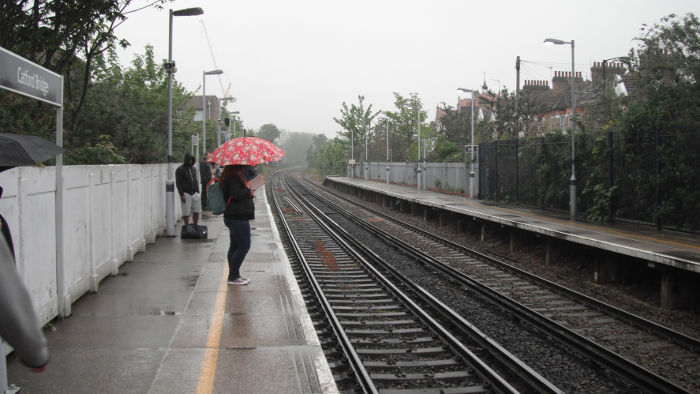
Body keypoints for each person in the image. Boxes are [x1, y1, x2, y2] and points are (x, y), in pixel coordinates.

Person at [220, 165, 255, 285]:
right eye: (243, 166)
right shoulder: (233, 178)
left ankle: (234, 275)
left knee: (235, 247)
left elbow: (237, 194)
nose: (245, 167)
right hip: (237, 217)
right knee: (244, 246)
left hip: (234, 216)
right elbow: (236, 194)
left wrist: (249, 192)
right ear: (238, 166)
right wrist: (248, 188)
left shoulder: (229, 177)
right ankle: (233, 276)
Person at [175, 153, 201, 225]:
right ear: (186, 160)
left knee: (197, 210)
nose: (190, 161)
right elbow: (178, 183)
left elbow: (195, 180)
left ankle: (195, 225)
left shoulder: (193, 169)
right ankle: (187, 227)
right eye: (189, 159)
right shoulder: (180, 169)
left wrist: (197, 191)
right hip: (186, 193)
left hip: (195, 193)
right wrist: (181, 194)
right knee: (186, 212)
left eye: (192, 159)